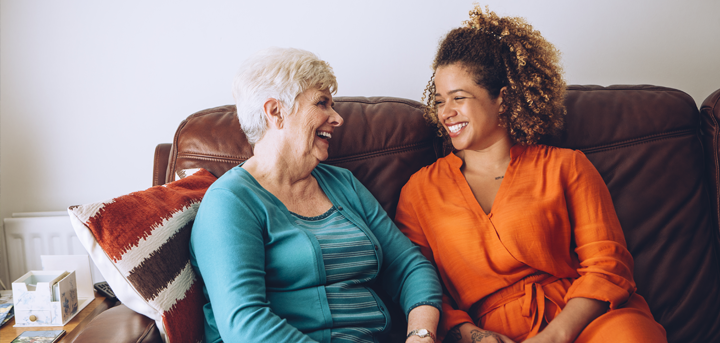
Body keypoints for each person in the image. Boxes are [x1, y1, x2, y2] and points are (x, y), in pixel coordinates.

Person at [394, 6, 667, 343]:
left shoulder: (566, 166)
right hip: (488, 335)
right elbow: (421, 286)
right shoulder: (420, 191)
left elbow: (608, 263)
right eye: (439, 101)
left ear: (502, 100)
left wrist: (554, 337)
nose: (446, 113)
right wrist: (474, 335)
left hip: (580, 323)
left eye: (459, 98)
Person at [189, 47, 442, 343]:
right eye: (322, 103)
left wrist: (421, 334)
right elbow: (244, 323)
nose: (337, 118)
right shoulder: (230, 201)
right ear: (276, 112)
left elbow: (408, 266)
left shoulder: (342, 183)